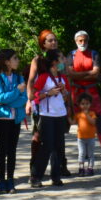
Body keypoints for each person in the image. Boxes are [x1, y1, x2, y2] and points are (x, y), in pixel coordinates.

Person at [66, 31, 101, 160]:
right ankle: (84, 151)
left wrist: (79, 74)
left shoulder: (94, 54)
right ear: (76, 41)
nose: (82, 43)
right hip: (77, 92)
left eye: (85, 40)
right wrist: (88, 73)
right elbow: (71, 74)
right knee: (82, 121)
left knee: (100, 120)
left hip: (92, 92)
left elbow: (96, 73)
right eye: (80, 40)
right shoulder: (71, 55)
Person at [27, 30, 71, 180]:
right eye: (50, 40)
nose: (53, 43)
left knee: (58, 144)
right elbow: (33, 88)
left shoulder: (62, 75)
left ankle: (57, 174)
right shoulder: (40, 65)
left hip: (60, 113)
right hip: (45, 113)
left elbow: (66, 94)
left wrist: (65, 94)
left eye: (55, 40)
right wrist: (34, 99)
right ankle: (36, 174)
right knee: (44, 143)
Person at [0, 48, 28, 194]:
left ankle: (10, 180)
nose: (17, 60)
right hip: (2, 118)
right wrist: (16, 92)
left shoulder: (19, 78)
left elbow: (24, 99)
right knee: (2, 150)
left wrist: (10, 100)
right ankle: (1, 180)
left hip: (16, 119)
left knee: (12, 151)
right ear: (7, 62)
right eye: (15, 58)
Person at [75, 93, 98, 176]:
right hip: (81, 138)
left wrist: (87, 115)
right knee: (82, 153)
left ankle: (90, 168)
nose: (85, 106)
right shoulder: (78, 115)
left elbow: (93, 122)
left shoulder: (92, 113)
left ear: (90, 104)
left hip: (91, 137)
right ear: (79, 105)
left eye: (87, 104)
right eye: (82, 104)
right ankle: (81, 168)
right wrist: (68, 116)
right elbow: (73, 122)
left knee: (90, 154)